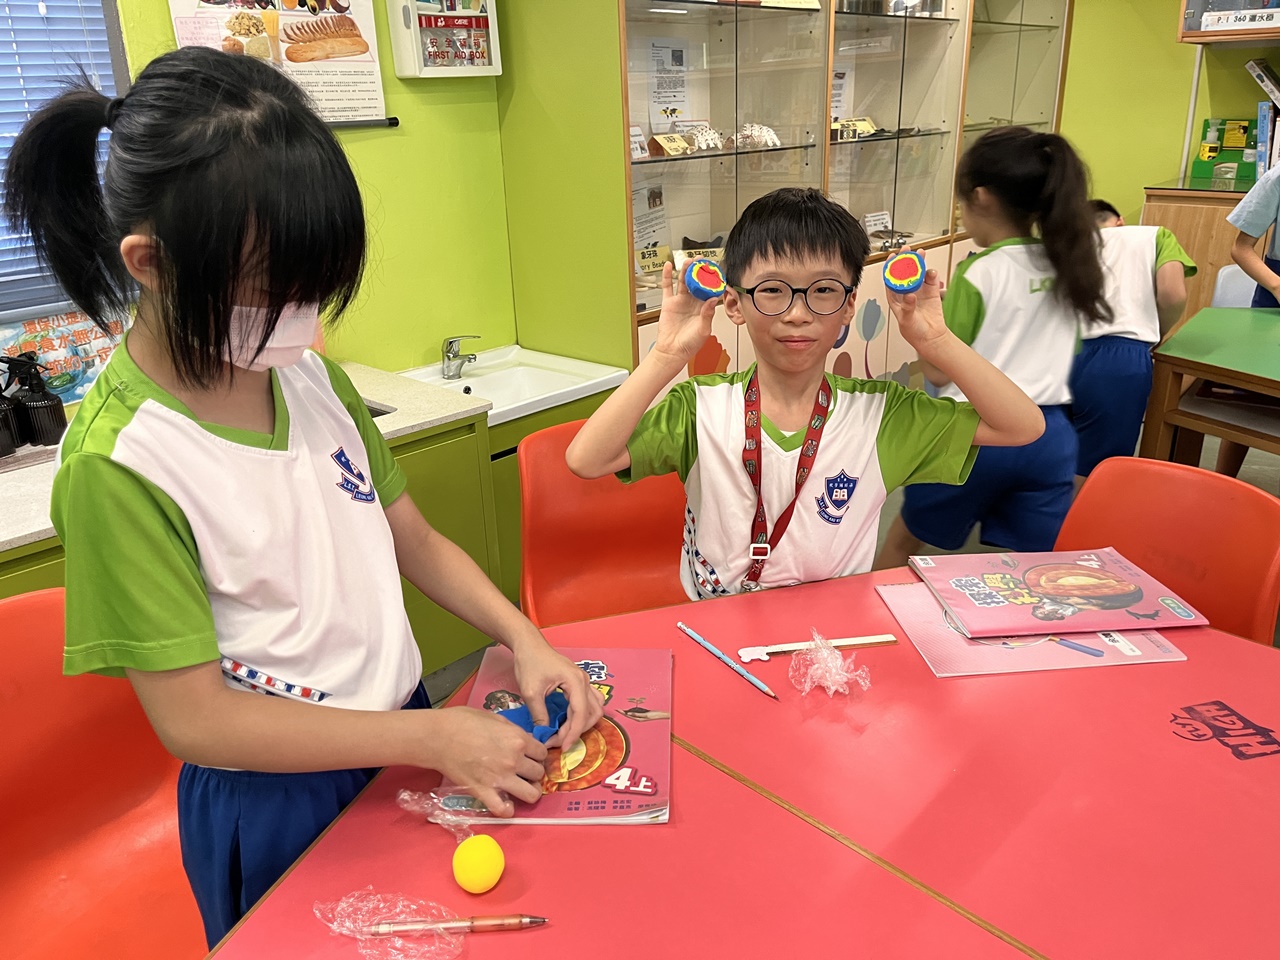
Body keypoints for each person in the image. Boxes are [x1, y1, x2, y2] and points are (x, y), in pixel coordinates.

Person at [3, 48, 603, 947]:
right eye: (274, 292)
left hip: (398, 735)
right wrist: (430, 741)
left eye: (316, 289)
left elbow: (412, 537)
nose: (306, 320)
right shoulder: (122, 464)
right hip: (275, 794)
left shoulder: (307, 377)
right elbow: (198, 721)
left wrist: (523, 634)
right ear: (153, 264)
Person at [565, 187, 1043, 598]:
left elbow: (1021, 426)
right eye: (773, 290)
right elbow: (587, 459)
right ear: (734, 303)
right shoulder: (700, 407)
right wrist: (666, 357)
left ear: (850, 304)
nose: (798, 314)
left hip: (832, 626)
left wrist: (936, 341)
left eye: (823, 290)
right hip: (715, 620)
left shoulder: (882, 413)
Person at [878, 127, 1110, 568]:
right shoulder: (1068, 263)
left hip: (975, 433)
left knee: (903, 541)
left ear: (981, 198)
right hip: (1050, 437)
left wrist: (926, 323)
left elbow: (939, 371)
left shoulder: (979, 272)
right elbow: (1071, 349)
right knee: (1041, 566)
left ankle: (866, 609)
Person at [1069, 199, 1195, 487]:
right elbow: (1173, 294)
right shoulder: (1155, 235)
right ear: (1120, 220)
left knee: (1049, 448)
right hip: (1118, 358)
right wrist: (1158, 333)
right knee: (1099, 464)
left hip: (1059, 352)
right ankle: (1084, 514)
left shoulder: (1063, 245)